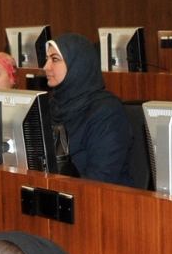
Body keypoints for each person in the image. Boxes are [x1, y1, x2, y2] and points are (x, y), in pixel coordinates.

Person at [44, 32, 139, 187]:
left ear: (78, 64)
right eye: (47, 59)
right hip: (58, 196)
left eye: (55, 59)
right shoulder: (51, 107)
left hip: (101, 201)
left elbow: (101, 178)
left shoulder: (106, 110)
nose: (46, 67)